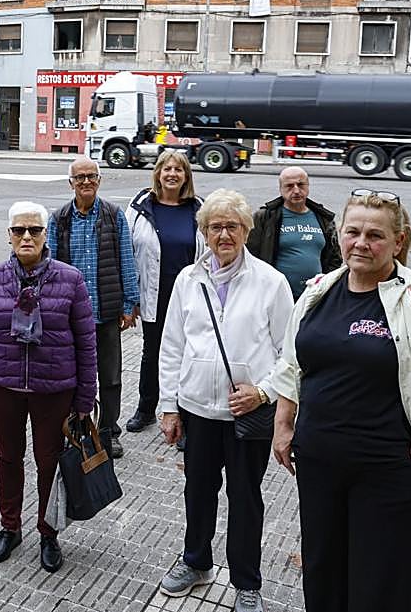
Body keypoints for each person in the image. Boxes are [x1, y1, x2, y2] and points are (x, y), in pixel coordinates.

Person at [270, 190, 411, 612]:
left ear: (398, 242)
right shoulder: (317, 291)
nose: (361, 242)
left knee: (384, 586)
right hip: (321, 468)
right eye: (352, 232)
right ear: (339, 235)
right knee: (325, 574)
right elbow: (293, 364)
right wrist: (283, 423)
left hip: (391, 475)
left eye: (375, 235)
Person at [157, 189, 293, 612]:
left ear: (246, 231)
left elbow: (290, 353)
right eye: (214, 227)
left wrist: (264, 393)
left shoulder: (271, 282)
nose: (223, 234)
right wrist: (168, 404)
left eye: (232, 226)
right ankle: (196, 561)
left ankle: (246, 582)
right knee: (198, 491)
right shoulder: (188, 280)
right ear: (204, 232)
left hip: (246, 414)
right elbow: (172, 345)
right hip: (198, 409)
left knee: (246, 497)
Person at [0, 201, 96, 573]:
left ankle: (48, 531)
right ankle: (10, 527)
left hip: (54, 390)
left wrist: (85, 397)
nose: (27, 237)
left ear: (45, 235)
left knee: (48, 462)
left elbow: (86, 343)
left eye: (34, 230)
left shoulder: (70, 279)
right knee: (8, 458)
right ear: (8, 236)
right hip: (4, 387)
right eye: (19, 230)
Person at [47, 156, 140, 458]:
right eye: (80, 177)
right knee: (70, 376)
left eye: (91, 176)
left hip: (106, 312)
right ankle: (75, 427)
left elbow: (127, 260)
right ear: (70, 183)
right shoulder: (59, 218)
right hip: (69, 317)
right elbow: (49, 267)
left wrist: (129, 303)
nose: (86, 181)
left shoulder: (114, 216)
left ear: (99, 180)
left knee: (110, 377)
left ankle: (108, 431)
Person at [125, 150, 204, 434]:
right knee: (153, 354)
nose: (172, 174)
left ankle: (185, 416)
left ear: (186, 176)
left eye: (178, 169)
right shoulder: (140, 207)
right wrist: (129, 297)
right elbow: (127, 252)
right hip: (154, 296)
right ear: (157, 173)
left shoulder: (199, 208)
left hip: (189, 299)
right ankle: (146, 409)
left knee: (188, 356)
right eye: (166, 168)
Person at [247, 167, 341, 300]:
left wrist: (326, 286)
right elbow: (250, 256)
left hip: (314, 297)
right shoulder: (266, 217)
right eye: (289, 186)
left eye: (301, 185)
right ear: (281, 189)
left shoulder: (324, 218)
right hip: (277, 297)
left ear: (308, 187)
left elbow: (334, 258)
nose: (296, 190)